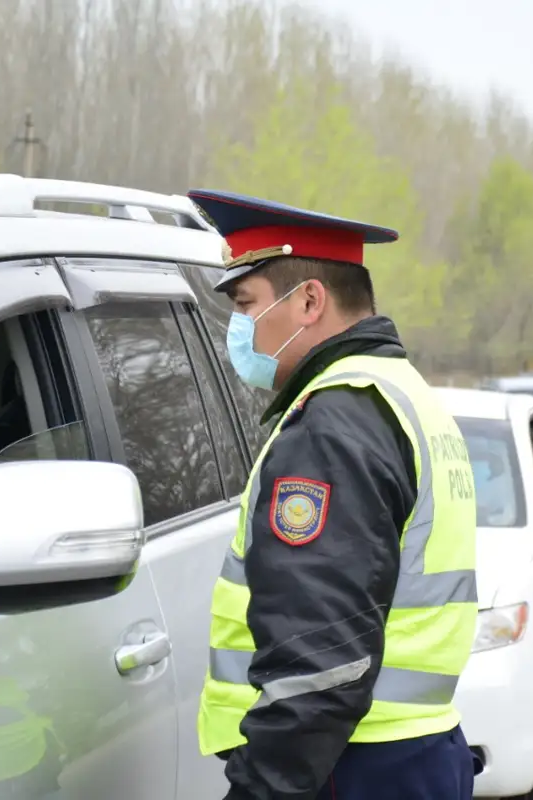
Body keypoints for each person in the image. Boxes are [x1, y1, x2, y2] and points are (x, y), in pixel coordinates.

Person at [188, 188, 480, 800]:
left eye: (246, 305)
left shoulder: (334, 422)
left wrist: (261, 789)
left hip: (349, 766)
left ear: (309, 301)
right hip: (409, 752)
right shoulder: (401, 391)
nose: (238, 328)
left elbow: (319, 655)